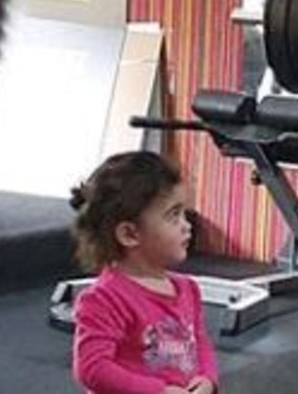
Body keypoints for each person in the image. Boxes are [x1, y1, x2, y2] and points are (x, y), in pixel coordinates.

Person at [70, 151, 219, 394]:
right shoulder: (104, 299)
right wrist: (157, 391)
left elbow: (200, 342)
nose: (187, 225)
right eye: (173, 216)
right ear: (129, 234)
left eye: (184, 213)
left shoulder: (187, 289)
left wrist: (207, 378)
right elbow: (92, 368)